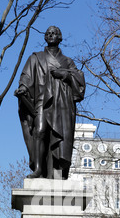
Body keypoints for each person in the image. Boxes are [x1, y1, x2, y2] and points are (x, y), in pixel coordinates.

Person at [14, 26, 85, 179]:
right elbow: (26, 76)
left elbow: (79, 81)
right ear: (45, 38)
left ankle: (58, 170)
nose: (51, 35)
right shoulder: (35, 57)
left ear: (60, 38)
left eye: (55, 33)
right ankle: (39, 169)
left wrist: (64, 75)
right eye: (48, 33)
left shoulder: (67, 61)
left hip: (61, 105)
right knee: (39, 131)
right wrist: (22, 88)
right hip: (41, 100)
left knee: (57, 137)